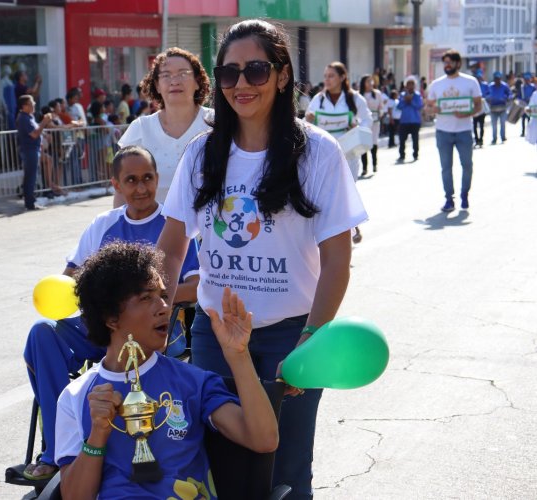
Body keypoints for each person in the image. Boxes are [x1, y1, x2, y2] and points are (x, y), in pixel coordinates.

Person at [157, 20, 367, 499]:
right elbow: (171, 248)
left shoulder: (317, 151)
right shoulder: (201, 154)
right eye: (229, 74)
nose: (242, 85)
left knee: (287, 470)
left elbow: (338, 259)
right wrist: (156, 313)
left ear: (281, 74)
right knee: (217, 465)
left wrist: (309, 341)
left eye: (255, 70)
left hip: (291, 337)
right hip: (214, 334)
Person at [23, 145, 200, 481]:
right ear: (116, 185)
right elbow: (71, 278)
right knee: (43, 332)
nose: (141, 188)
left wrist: (147, 299)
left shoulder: (174, 225)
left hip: (154, 333)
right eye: (131, 180)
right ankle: (57, 448)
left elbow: (196, 286)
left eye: (148, 178)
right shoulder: (103, 224)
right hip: (104, 330)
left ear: (157, 179)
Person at [54, 241, 278, 499]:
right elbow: (73, 496)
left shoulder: (193, 382)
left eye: (162, 296)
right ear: (110, 317)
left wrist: (238, 356)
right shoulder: (76, 396)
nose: (164, 307)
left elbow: (264, 440)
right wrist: (98, 434)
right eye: (146, 298)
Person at [117, 47, 212, 207]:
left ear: (197, 81)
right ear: (157, 85)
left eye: (183, 73)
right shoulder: (140, 128)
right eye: (166, 75)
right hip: (153, 226)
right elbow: (122, 189)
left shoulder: (217, 123)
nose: (175, 81)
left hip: (209, 226)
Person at [426, 49, 482, 212]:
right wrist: (434, 109)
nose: (447, 65)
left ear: (458, 63)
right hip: (443, 131)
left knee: (467, 165)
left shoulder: (470, 82)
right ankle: (449, 198)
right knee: (446, 167)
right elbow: (428, 108)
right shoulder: (437, 84)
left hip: (464, 130)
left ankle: (465, 194)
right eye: (445, 62)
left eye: (450, 62)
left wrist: (467, 113)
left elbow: (478, 106)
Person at [306, 62, 372, 180]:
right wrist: (308, 120)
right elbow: (305, 125)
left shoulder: (355, 98)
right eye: (325, 76)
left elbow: (367, 119)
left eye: (331, 76)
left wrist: (357, 129)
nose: (327, 79)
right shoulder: (318, 99)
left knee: (347, 195)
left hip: (348, 154)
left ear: (342, 77)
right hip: (323, 155)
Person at [16, 95, 53, 210]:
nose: (34, 105)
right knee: (30, 177)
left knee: (32, 176)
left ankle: (31, 201)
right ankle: (30, 203)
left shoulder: (29, 117)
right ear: (24, 106)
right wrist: (44, 121)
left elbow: (37, 133)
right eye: (31, 103)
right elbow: (34, 134)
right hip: (29, 151)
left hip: (33, 150)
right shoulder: (23, 118)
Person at [359, 74, 386, 176]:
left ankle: (374, 164)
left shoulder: (377, 94)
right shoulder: (359, 95)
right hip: (363, 123)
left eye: (371, 81)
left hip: (375, 121)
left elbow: (381, 106)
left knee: (374, 142)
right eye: (368, 81)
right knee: (363, 143)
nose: (370, 83)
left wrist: (381, 114)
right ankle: (364, 168)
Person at [396, 76, 424, 163]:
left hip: (415, 121)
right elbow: (399, 106)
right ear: (406, 86)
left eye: (412, 84)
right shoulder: (402, 95)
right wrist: (405, 101)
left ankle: (415, 154)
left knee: (415, 139)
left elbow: (419, 106)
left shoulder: (417, 95)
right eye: (408, 84)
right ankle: (402, 155)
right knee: (402, 139)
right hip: (404, 121)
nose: (410, 86)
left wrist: (411, 101)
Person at [487, 71, 511, 145]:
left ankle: (503, 137)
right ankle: (494, 138)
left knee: (503, 123)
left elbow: (510, 94)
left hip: (502, 107)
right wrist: (489, 98)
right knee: (494, 125)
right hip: (493, 108)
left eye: (498, 79)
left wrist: (506, 98)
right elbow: (486, 94)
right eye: (496, 79)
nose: (497, 80)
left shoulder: (505, 86)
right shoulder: (490, 86)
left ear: (500, 78)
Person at [472, 70, 490, 147]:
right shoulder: (472, 86)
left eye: (479, 77)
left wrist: (484, 98)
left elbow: (489, 93)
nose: (479, 79)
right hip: (474, 107)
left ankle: (481, 140)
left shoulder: (485, 85)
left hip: (482, 107)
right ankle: (476, 140)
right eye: (477, 78)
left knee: (482, 125)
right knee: (475, 126)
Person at [519, 72, 535, 137]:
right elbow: (519, 95)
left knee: (529, 119)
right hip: (523, 105)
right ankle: (523, 132)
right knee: (523, 119)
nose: (526, 80)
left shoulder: (533, 87)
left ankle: (529, 132)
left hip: (531, 105)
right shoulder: (522, 87)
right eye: (525, 79)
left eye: (528, 79)